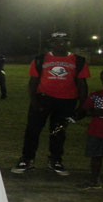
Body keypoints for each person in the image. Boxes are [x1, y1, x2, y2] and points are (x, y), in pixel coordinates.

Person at [11, 31, 90, 176]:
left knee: (58, 132)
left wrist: (82, 106)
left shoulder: (78, 60)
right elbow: (33, 82)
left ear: (68, 43)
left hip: (66, 101)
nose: (60, 44)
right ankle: (27, 159)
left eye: (64, 41)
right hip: (43, 99)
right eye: (56, 41)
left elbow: (82, 84)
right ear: (51, 43)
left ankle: (55, 160)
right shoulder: (40, 59)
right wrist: (34, 102)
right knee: (33, 130)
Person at [77, 68, 103, 195]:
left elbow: (93, 111)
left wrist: (99, 112)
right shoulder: (97, 95)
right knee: (95, 157)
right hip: (96, 132)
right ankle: (94, 181)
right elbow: (86, 110)